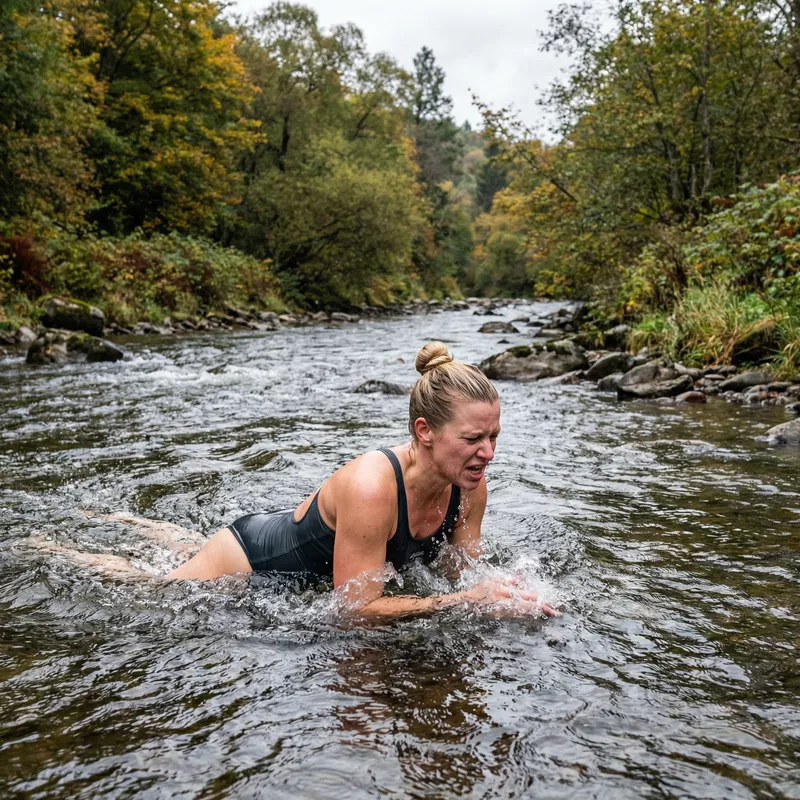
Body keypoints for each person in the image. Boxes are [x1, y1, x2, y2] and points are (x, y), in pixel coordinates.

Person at [162, 341, 558, 619]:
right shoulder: (372, 488)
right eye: (472, 439)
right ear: (424, 431)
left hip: (311, 540)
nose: (488, 453)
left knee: (173, 545)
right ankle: (102, 542)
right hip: (248, 559)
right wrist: (466, 601)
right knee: (141, 585)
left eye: (494, 437)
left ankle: (158, 533)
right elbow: (354, 610)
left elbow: (462, 573)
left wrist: (509, 594)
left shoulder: (470, 484)